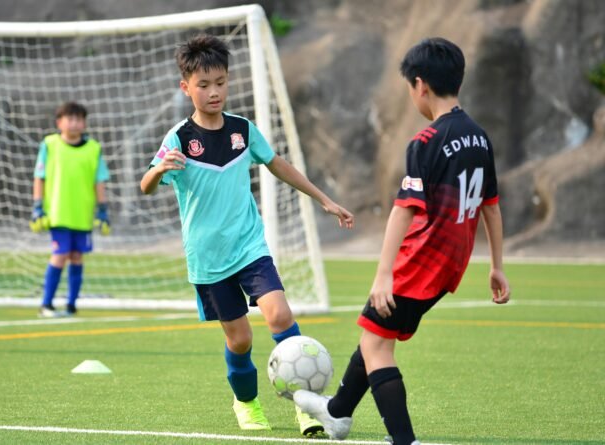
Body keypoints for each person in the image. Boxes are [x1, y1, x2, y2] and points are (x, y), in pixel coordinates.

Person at [293, 38, 512, 445]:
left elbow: (404, 209)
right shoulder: (480, 138)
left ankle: (404, 441)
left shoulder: (425, 142)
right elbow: (492, 207)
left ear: (420, 85)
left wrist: (383, 275)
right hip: (453, 261)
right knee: (375, 334)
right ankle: (337, 412)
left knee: (377, 347)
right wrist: (496, 266)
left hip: (422, 260)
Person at [140, 34, 354, 436]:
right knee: (239, 341)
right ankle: (246, 402)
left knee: (280, 314)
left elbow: (277, 164)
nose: (213, 91)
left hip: (249, 247)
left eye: (220, 82)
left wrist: (324, 199)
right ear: (186, 88)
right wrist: (158, 170)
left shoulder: (243, 130)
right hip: (208, 258)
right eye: (203, 85)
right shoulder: (179, 139)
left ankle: (306, 405)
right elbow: (146, 186)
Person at [31, 101, 110, 318]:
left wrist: (102, 210)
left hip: (82, 215)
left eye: (79, 119)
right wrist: (38, 206)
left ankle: (71, 306)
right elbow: (40, 177)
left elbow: (99, 181)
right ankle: (46, 304)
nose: (74, 123)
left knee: (77, 257)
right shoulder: (49, 144)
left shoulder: (94, 149)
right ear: (59, 122)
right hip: (58, 213)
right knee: (60, 255)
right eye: (70, 118)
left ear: (84, 123)